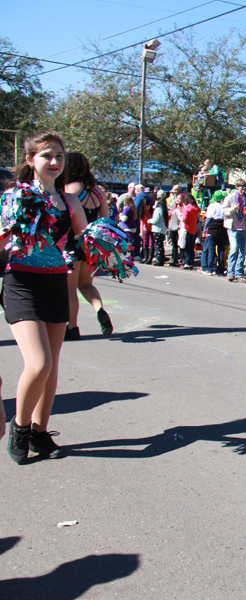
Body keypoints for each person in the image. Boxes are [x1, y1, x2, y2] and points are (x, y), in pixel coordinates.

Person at [1, 131, 88, 463]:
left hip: (55, 284)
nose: (54, 162)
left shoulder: (70, 201)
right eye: (46, 156)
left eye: (59, 156)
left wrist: (105, 244)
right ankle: (21, 428)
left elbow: (84, 240)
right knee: (38, 363)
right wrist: (13, 230)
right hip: (21, 283)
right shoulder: (14, 197)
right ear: (30, 160)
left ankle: (40, 432)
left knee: (51, 369)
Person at [63, 152, 113, 339]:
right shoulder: (98, 191)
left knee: (69, 289)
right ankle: (99, 309)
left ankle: (72, 328)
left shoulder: (69, 189)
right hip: (92, 245)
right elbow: (106, 219)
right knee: (86, 284)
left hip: (72, 242)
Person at [223, 179, 246, 281]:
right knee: (234, 249)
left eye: (245, 186)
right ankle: (230, 272)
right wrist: (233, 209)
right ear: (237, 187)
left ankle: (239, 273)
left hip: (244, 228)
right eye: (241, 186)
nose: (243, 188)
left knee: (242, 251)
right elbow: (224, 211)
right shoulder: (230, 198)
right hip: (233, 228)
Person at [200, 191, 228, 276]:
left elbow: (208, 219)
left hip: (213, 228)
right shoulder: (224, 206)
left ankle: (210, 269)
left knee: (211, 250)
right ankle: (221, 269)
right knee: (221, 250)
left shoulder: (211, 206)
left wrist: (204, 230)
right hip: (222, 228)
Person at [180, 196, 200, 270]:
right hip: (194, 229)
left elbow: (184, 219)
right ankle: (191, 261)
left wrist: (180, 217)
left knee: (187, 247)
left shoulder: (187, 208)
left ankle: (187, 262)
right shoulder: (196, 208)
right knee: (191, 247)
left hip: (187, 229)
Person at [148, 195, 168, 266]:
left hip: (157, 229)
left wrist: (149, 220)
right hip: (162, 229)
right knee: (160, 245)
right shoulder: (164, 210)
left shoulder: (158, 210)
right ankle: (161, 258)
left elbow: (155, 220)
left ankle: (158, 259)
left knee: (157, 245)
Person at [118, 194, 139, 260]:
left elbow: (124, 219)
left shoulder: (126, 209)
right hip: (133, 227)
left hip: (127, 227)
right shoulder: (133, 208)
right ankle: (131, 255)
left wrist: (120, 216)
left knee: (127, 242)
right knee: (131, 242)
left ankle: (128, 256)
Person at [167, 193, 183, 266]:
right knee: (174, 245)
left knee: (179, 244)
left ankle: (181, 259)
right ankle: (174, 258)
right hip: (171, 227)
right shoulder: (174, 207)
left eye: (180, 198)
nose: (178, 200)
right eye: (177, 198)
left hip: (178, 228)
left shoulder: (183, 208)